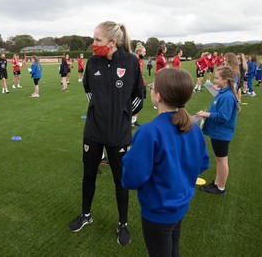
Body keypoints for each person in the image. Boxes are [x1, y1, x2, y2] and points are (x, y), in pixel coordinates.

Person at [69, 21, 144, 246]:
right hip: (93, 131)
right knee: (88, 176)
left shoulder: (130, 62)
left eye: (97, 40)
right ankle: (86, 215)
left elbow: (139, 95)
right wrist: (99, 110)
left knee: (120, 182)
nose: (94, 44)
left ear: (112, 42)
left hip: (119, 134)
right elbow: (88, 89)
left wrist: (121, 114)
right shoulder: (93, 62)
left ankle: (123, 224)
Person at [122, 68, 209, 256]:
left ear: (158, 96)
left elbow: (132, 178)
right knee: (172, 250)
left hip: (158, 210)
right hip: (180, 205)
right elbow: (202, 163)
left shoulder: (149, 132)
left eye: (152, 87)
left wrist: (129, 158)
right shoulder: (193, 128)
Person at [196, 66, 238, 195]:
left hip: (222, 134)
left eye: (217, 78)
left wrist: (206, 114)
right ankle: (217, 183)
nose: (214, 80)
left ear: (225, 80)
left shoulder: (227, 97)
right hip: (218, 133)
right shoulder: (224, 93)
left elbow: (223, 117)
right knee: (220, 160)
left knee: (222, 160)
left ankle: (220, 187)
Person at [132, 42, 147, 127]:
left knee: (140, 103)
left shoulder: (141, 61)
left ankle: (134, 120)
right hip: (135, 85)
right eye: (144, 52)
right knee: (134, 102)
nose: (145, 54)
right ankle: (130, 120)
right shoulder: (133, 60)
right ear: (139, 52)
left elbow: (140, 73)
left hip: (142, 84)